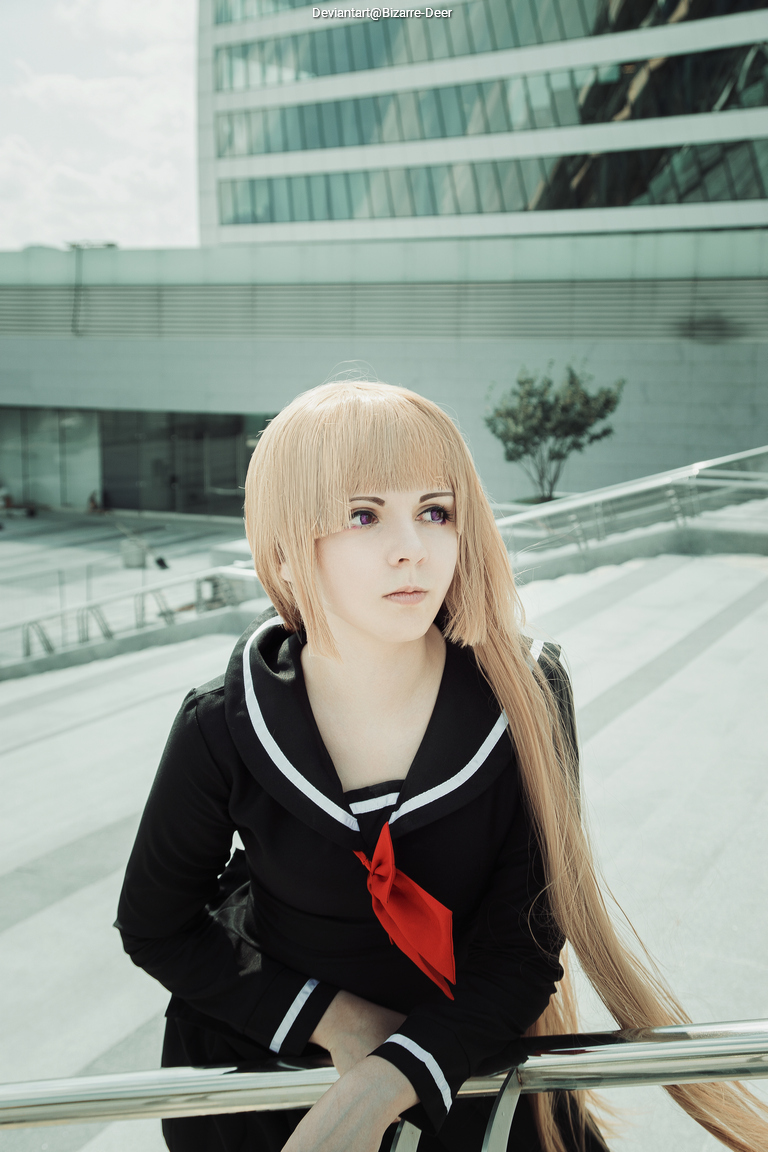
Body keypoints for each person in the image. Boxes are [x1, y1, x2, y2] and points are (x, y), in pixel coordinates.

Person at [116, 381, 767, 1152]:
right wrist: (339, 1021)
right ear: (285, 550)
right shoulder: (222, 723)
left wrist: (392, 1077)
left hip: (464, 1066)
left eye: (435, 511)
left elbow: (522, 948)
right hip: (271, 1082)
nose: (413, 548)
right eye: (364, 515)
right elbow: (158, 925)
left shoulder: (522, 694)